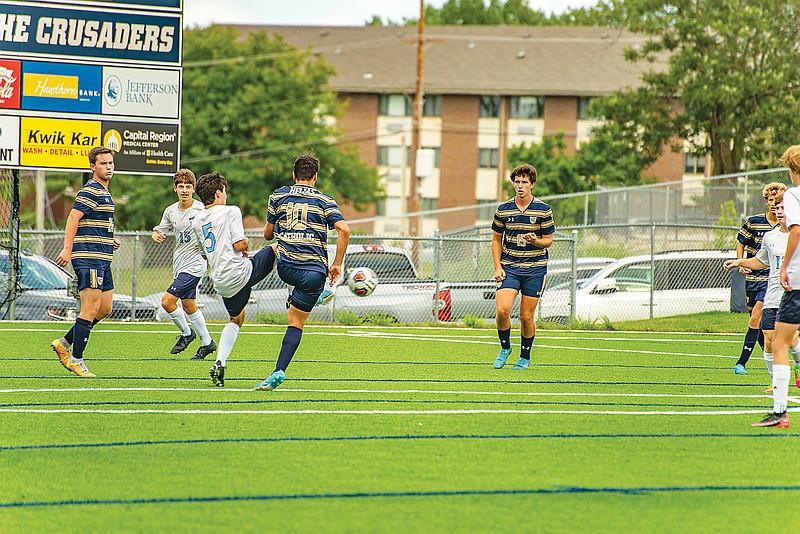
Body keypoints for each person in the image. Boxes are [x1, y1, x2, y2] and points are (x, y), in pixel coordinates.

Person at [254, 153, 350, 391]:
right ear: (315, 177)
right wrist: (336, 264)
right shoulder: (326, 201)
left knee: (274, 245)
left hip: (286, 268)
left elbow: (267, 234)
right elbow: (344, 230)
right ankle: (279, 369)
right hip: (315, 273)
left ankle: (244, 281)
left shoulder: (278, 195)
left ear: (294, 175)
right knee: (296, 322)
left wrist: (279, 227)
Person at [190, 171, 277, 387]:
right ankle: (296, 294)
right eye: (225, 192)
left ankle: (220, 362)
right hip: (239, 273)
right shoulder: (230, 211)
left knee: (237, 319)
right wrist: (245, 245)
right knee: (279, 247)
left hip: (220, 281)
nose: (226, 196)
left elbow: (202, 253)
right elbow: (239, 244)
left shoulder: (197, 219)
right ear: (219, 193)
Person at [51, 146, 121, 377]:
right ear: (93, 167)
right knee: (90, 308)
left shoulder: (105, 191)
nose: (108, 167)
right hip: (89, 257)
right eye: (103, 163)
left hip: (102, 257)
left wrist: (111, 238)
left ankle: (64, 343)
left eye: (110, 163)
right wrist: (68, 249)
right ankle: (76, 360)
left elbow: (95, 221)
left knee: (104, 308)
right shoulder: (91, 189)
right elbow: (73, 217)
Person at [723, 190, 800, 395]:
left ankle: (798, 366)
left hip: (793, 294)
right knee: (768, 338)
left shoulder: (797, 234)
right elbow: (761, 261)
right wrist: (739, 261)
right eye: (777, 207)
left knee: (790, 339)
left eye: (784, 207)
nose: (780, 211)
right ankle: (775, 383)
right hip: (773, 294)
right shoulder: (770, 236)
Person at [491, 163, 554, 370]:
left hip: (535, 268)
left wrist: (535, 240)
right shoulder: (503, 209)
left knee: (526, 316)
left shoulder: (543, 210)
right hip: (510, 266)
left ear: (532, 184)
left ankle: (524, 357)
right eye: (517, 182)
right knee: (502, 310)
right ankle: (505, 347)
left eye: (524, 182)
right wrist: (498, 267)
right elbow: (496, 239)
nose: (520, 186)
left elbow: (548, 241)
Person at [151, 169, 217, 360]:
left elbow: (213, 229)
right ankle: (207, 343)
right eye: (181, 186)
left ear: (194, 189)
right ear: (175, 188)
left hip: (196, 264)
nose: (185, 190)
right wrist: (156, 234)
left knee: (167, 301)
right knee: (188, 304)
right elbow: (159, 229)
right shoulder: (170, 211)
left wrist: (206, 240)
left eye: (188, 186)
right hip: (179, 263)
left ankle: (187, 333)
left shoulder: (200, 210)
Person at [763, 145, 800, 427]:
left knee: (779, 343)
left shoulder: (792, 194)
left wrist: (785, 266)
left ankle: (780, 412)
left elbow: (796, 229)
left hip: (797, 282)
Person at [733, 182, 783, 374]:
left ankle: (741, 362)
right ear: (766, 201)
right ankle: (770, 356)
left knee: (756, 319)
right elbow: (742, 244)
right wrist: (740, 261)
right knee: (760, 324)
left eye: (777, 202)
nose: (774, 205)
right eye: (771, 201)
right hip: (753, 278)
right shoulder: (754, 222)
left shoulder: (787, 227)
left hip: (772, 280)